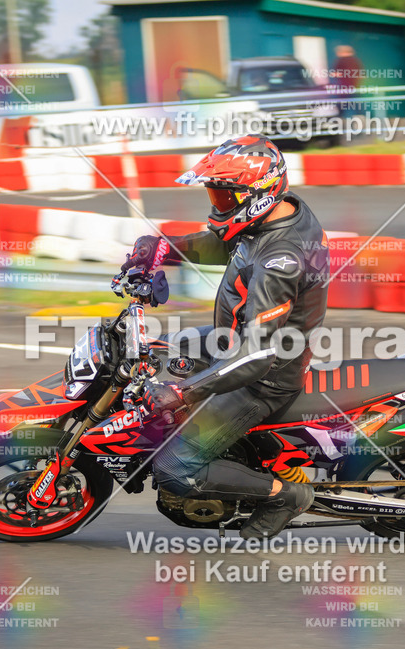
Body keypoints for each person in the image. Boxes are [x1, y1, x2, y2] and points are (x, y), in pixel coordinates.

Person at [119, 135, 329, 539]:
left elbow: (256, 355)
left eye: (223, 196)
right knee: (151, 352)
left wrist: (184, 392)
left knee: (173, 467)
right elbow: (226, 244)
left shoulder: (280, 262)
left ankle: (285, 497)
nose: (217, 204)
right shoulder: (276, 213)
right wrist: (163, 250)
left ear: (257, 195)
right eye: (215, 194)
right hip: (228, 340)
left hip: (262, 377)